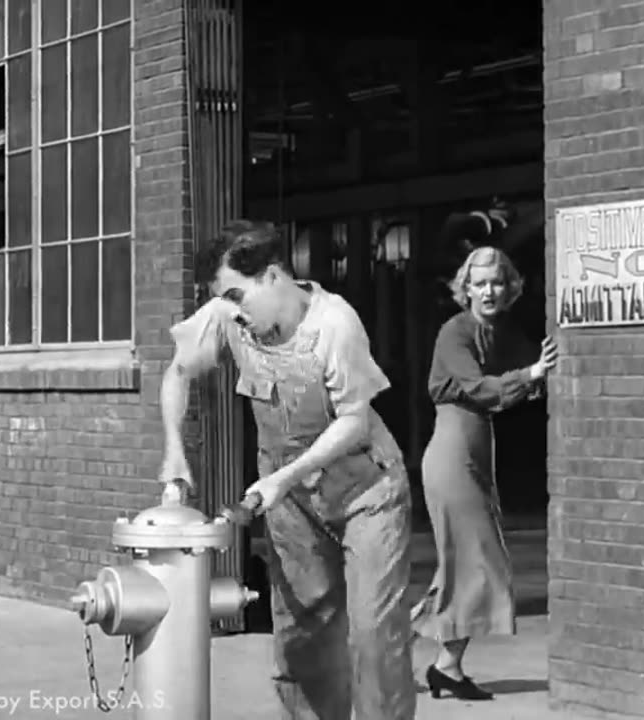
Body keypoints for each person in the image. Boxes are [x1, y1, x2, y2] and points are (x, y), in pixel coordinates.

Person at [160, 220, 416, 720]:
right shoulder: (227, 315)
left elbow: (354, 423)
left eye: (238, 294)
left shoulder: (335, 324)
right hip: (291, 500)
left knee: (372, 633)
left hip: (368, 491)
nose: (232, 310)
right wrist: (174, 450)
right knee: (302, 631)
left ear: (274, 277)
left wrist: (283, 477)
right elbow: (177, 372)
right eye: (223, 298)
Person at [411, 245, 558, 701]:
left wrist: (534, 376)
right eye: (480, 282)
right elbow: (478, 387)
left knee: (462, 565)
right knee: (480, 562)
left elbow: (512, 387)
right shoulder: (455, 331)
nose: (489, 290)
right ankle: (434, 662)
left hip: (477, 451)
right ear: (466, 288)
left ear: (509, 286)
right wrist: (531, 373)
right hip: (453, 453)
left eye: (497, 281)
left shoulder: (500, 332)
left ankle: (412, 657)